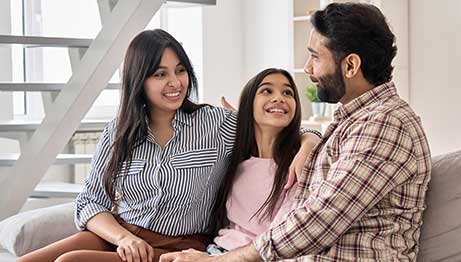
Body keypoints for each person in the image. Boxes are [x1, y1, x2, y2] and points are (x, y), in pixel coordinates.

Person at [160, 3, 432, 262]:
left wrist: (223, 259)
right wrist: (307, 137)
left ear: (350, 66)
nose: (308, 68)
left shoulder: (385, 123)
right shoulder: (355, 122)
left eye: (315, 56)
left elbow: (323, 217)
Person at [17, 30, 319, 262]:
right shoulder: (118, 132)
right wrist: (123, 238)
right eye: (161, 74)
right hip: (123, 234)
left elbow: (280, 125)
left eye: (181, 71)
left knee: (71, 261)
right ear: (140, 80)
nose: (175, 82)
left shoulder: (216, 123)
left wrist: (308, 144)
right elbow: (90, 202)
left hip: (180, 244)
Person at [205, 68, 303, 255]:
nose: (279, 98)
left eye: (287, 92)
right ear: (249, 104)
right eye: (267, 90)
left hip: (260, 256)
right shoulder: (232, 158)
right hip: (218, 250)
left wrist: (308, 143)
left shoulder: (298, 164)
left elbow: (286, 235)